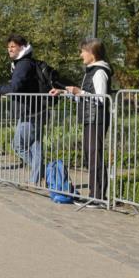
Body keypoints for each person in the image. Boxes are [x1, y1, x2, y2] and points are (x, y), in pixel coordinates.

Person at [51, 38, 113, 203]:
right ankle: (95, 194)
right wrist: (65, 93)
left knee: (94, 155)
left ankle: (98, 196)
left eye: (82, 51)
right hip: (89, 117)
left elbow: (101, 98)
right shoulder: (90, 70)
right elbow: (85, 97)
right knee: (89, 155)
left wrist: (80, 92)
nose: (80, 55)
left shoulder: (99, 71)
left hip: (96, 118)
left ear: (91, 53)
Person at [0, 34, 45, 184]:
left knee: (18, 145)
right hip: (34, 109)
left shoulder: (23, 64)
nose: (9, 50)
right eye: (8, 47)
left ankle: (43, 171)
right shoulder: (25, 63)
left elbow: (15, 87)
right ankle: (36, 180)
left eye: (13, 47)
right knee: (35, 146)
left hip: (30, 111)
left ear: (22, 47)